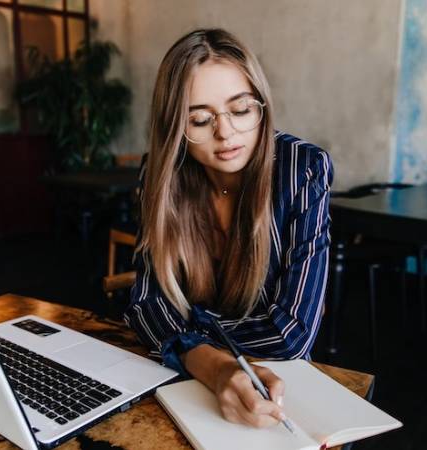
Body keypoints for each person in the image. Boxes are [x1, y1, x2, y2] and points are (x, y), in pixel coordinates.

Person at [124, 28, 333, 430]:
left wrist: (185, 341)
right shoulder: (160, 172)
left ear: (262, 106)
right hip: (187, 381)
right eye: (199, 119)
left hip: (277, 391)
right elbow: (146, 305)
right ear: (174, 128)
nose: (225, 132)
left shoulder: (302, 168)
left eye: (240, 110)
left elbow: (291, 334)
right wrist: (212, 366)